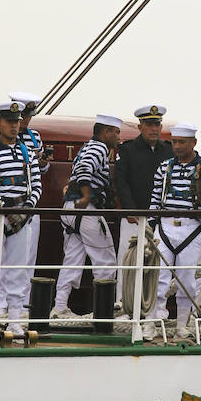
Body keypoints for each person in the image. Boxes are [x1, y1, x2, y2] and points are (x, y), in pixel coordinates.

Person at [0, 99, 42, 343]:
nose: (14, 126)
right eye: (9, 122)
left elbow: (36, 184)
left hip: (21, 219)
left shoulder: (26, 151)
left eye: (17, 121)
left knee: (17, 272)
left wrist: (27, 208)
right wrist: (2, 206)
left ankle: (14, 322)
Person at [147, 121, 201, 342]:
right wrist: (151, 226)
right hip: (165, 227)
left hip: (191, 229)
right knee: (158, 279)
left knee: (187, 280)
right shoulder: (164, 168)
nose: (177, 146)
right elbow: (155, 198)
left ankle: (181, 326)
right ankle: (153, 323)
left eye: (182, 142)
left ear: (193, 143)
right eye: (175, 142)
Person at [52, 114, 120, 325]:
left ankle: (60, 307)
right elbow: (84, 170)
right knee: (106, 258)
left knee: (72, 259)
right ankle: (104, 311)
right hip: (86, 209)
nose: (118, 137)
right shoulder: (99, 148)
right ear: (106, 132)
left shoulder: (86, 147)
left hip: (70, 210)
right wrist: (87, 195)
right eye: (116, 133)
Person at [113, 104, 173, 304]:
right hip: (134, 218)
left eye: (157, 124)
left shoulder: (168, 151)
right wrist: (131, 210)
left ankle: (150, 307)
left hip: (159, 219)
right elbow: (121, 182)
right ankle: (123, 303)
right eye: (149, 124)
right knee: (128, 262)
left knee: (156, 266)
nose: (154, 129)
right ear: (140, 127)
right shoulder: (127, 149)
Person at [9, 92, 51, 293]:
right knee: (5, 256)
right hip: (8, 201)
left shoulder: (35, 137)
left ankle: (23, 304)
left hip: (30, 200)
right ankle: (0, 305)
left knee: (28, 255)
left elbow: (41, 171)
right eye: (23, 116)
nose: (26, 120)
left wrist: (43, 163)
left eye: (29, 116)